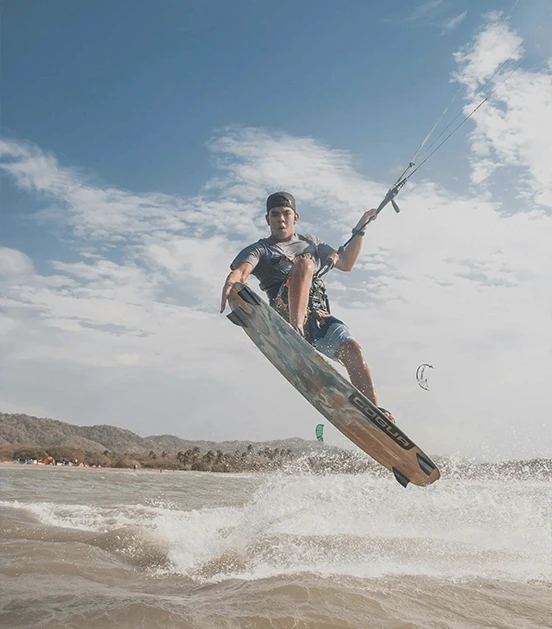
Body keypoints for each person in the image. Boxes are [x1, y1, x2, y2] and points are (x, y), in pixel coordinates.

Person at [220, 191, 395, 422]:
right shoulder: (260, 250)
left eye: (286, 214)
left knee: (353, 351)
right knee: (304, 264)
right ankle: (297, 333)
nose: (280, 219)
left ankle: (374, 414)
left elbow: (346, 263)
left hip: (318, 317)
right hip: (284, 316)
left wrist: (360, 227)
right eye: (275, 215)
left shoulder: (311, 242)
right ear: (267, 219)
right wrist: (232, 283)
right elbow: (241, 271)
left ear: (296, 217)